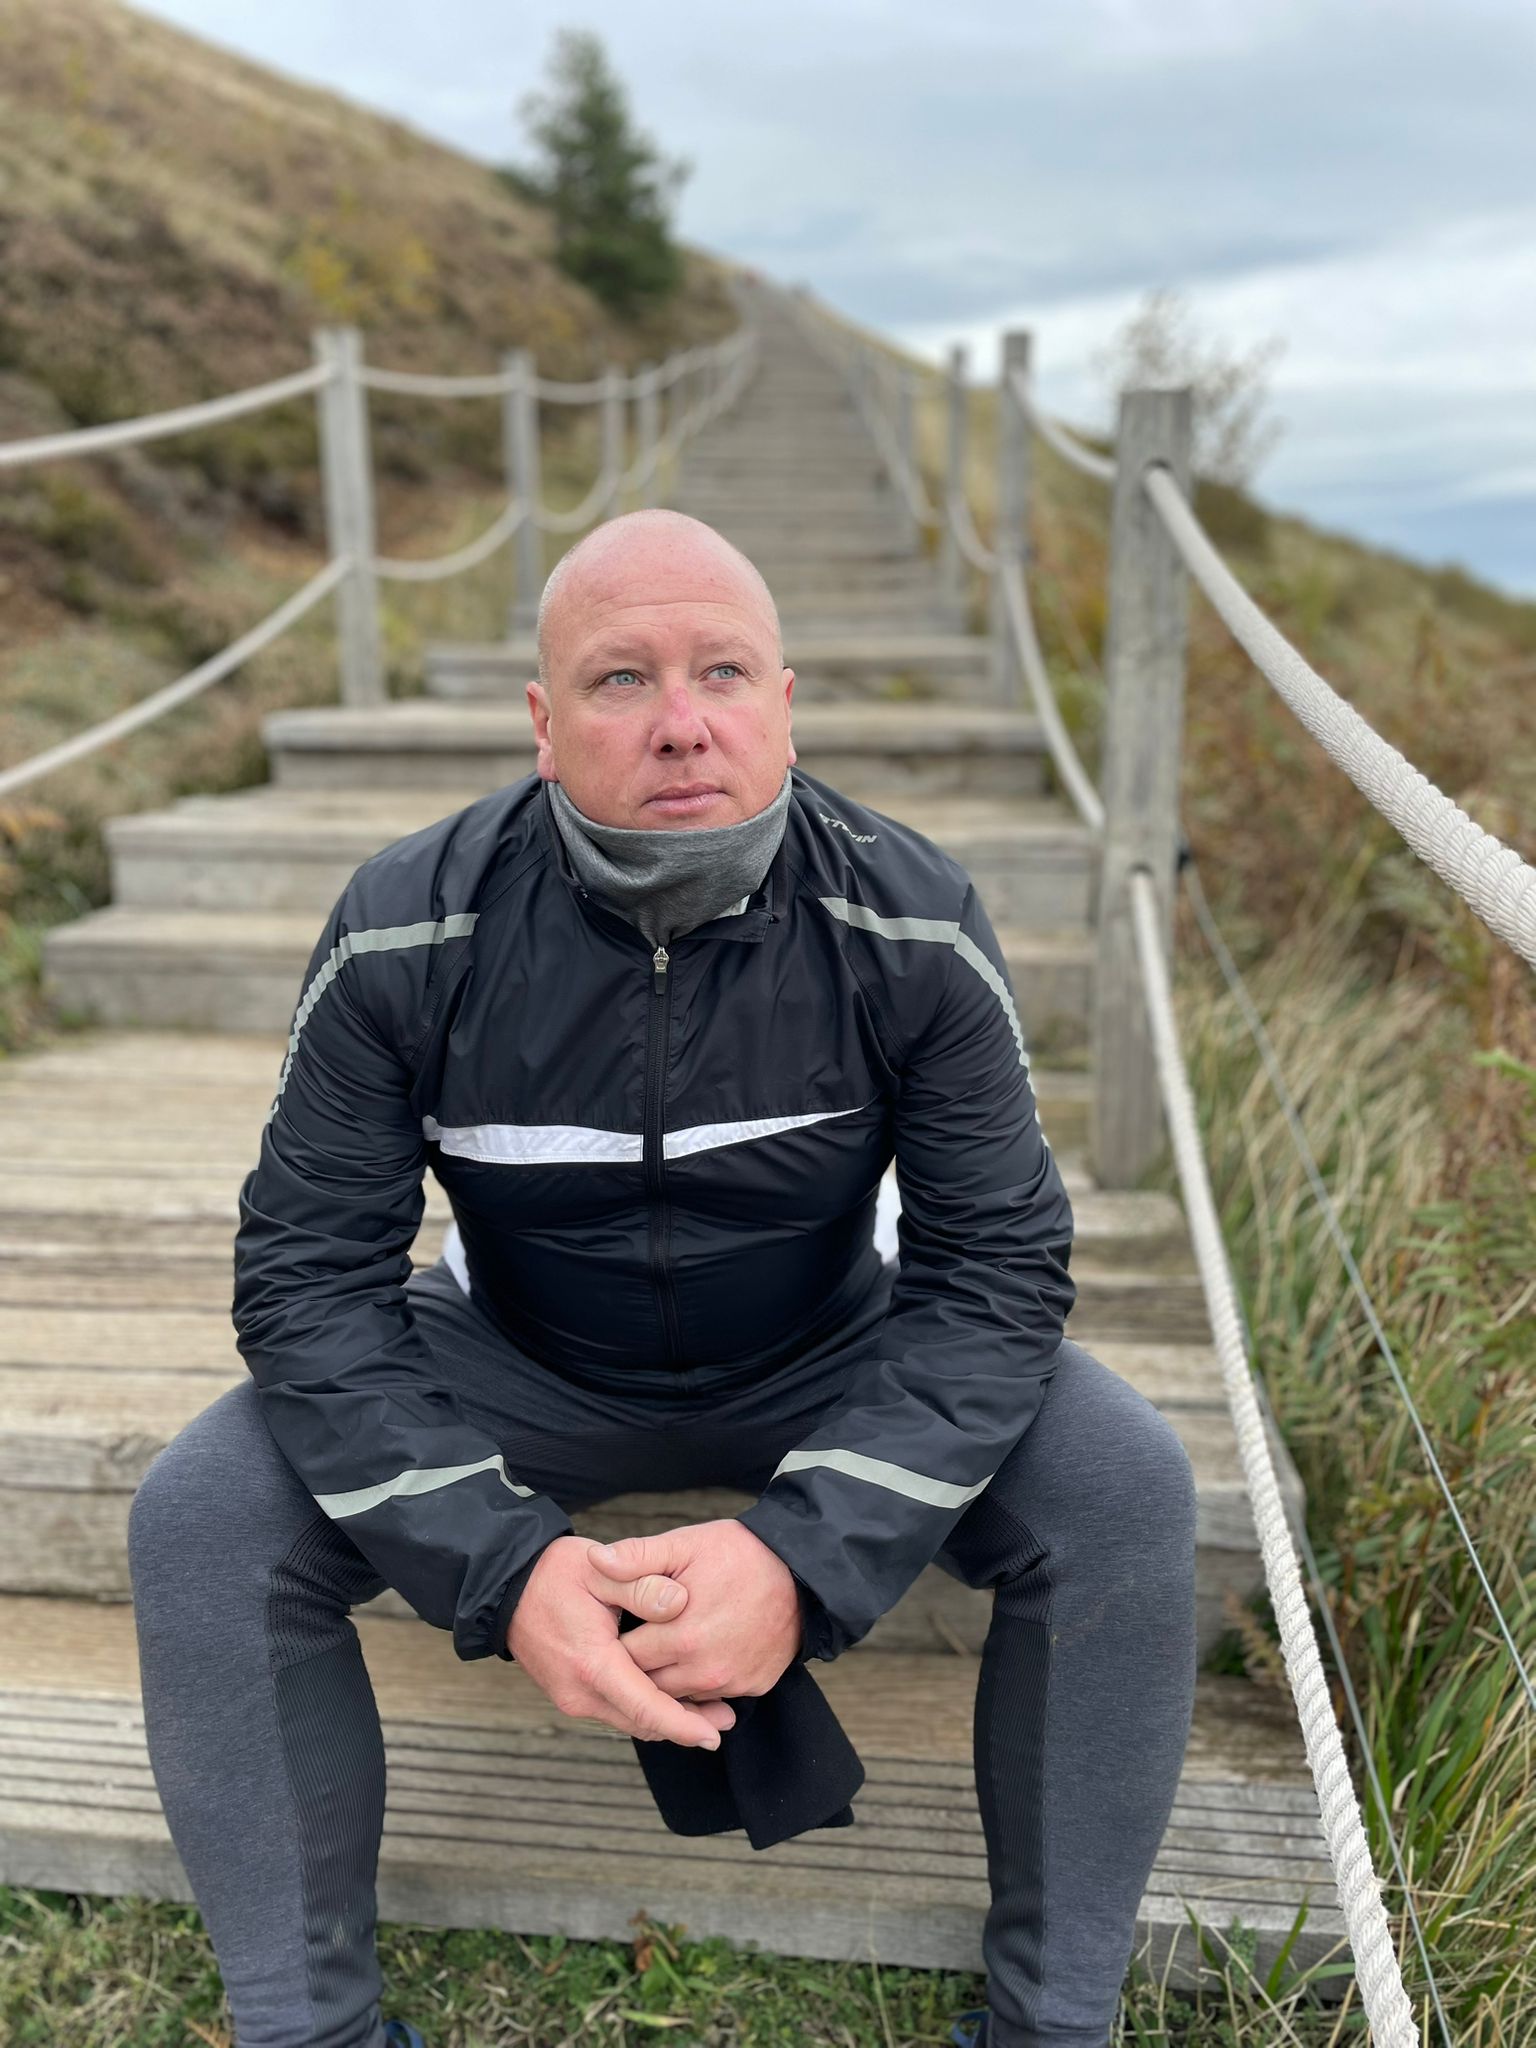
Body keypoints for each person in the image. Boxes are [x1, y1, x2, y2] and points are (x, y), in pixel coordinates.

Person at [127, 509, 1199, 2048]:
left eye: (724, 672)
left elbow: (996, 1273)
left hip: (825, 1343)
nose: (683, 722)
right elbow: (307, 1281)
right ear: (545, 723)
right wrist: (501, 1564)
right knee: (202, 1513)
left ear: (785, 705)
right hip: (515, 1353)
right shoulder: (402, 927)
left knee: (1125, 1482)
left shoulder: (911, 918)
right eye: (623, 678)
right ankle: (309, 2031)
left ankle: (1052, 2028)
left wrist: (806, 1556)